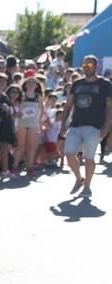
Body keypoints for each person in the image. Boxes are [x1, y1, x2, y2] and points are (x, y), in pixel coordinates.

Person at [60, 55, 112, 198]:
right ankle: (79, 178)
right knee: (69, 153)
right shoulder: (77, 84)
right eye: (84, 66)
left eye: (89, 65)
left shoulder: (105, 84)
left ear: (96, 67)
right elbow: (68, 105)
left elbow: (109, 107)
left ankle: (87, 186)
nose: (86, 68)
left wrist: (106, 126)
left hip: (95, 126)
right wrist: (63, 124)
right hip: (76, 124)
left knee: (89, 157)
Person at [15, 76, 44, 176]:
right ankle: (15, 167)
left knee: (31, 147)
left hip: (33, 124)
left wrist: (39, 121)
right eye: (29, 82)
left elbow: (42, 109)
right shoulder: (21, 95)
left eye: (33, 83)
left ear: (37, 86)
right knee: (20, 147)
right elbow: (15, 106)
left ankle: (30, 167)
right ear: (25, 84)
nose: (31, 84)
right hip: (21, 123)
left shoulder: (38, 96)